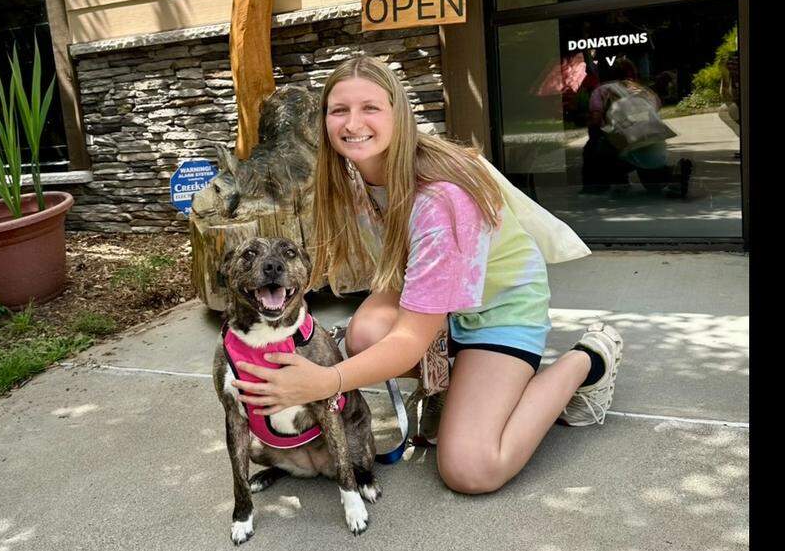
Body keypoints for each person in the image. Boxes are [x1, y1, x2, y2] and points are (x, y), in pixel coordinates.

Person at [227, 56, 624, 495]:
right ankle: (451, 384)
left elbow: (408, 341)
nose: (352, 123)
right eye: (339, 110)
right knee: (365, 334)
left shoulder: (441, 199)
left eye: (370, 108)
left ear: (398, 113)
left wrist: (324, 381)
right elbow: (396, 283)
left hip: (499, 311)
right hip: (443, 304)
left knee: (472, 469)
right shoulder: (355, 173)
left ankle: (587, 360)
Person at [582, 58, 692, 198]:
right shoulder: (643, 90)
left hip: (626, 142)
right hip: (653, 138)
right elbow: (654, 110)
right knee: (652, 184)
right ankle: (672, 175)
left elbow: (595, 121)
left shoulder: (601, 90)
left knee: (593, 147)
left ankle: (602, 184)